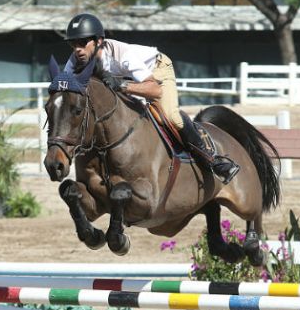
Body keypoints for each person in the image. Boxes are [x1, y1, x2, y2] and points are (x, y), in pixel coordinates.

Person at [62, 13, 240, 185]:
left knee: (172, 117)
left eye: (83, 43)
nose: (77, 49)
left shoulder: (122, 54)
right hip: (128, 79)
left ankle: (212, 159)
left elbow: (155, 90)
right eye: (73, 44)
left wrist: (121, 86)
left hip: (156, 71)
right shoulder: (75, 60)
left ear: (99, 41)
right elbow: (65, 88)